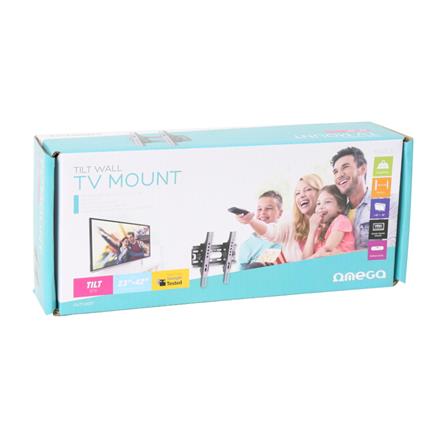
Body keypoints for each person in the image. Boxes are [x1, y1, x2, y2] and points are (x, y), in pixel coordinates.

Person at [236, 174, 323, 262]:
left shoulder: (329, 225)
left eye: (308, 189)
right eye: (297, 193)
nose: (302, 195)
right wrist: (251, 220)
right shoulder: (288, 227)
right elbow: (272, 232)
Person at [331, 146, 397, 249]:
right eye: (335, 172)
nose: (339, 175)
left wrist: (347, 255)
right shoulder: (339, 214)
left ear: (362, 169)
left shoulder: (387, 202)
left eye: (345, 167)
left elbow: (390, 248)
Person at [303, 185, 355, 258]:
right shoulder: (319, 230)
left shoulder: (341, 221)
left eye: (327, 202)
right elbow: (305, 257)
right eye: (318, 203)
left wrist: (308, 261)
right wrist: (312, 230)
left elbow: (327, 250)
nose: (321, 207)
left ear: (340, 207)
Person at [239, 191, 283, 269]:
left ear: (280, 213)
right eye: (259, 209)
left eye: (268, 208)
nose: (262, 212)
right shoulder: (246, 245)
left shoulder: (285, 238)